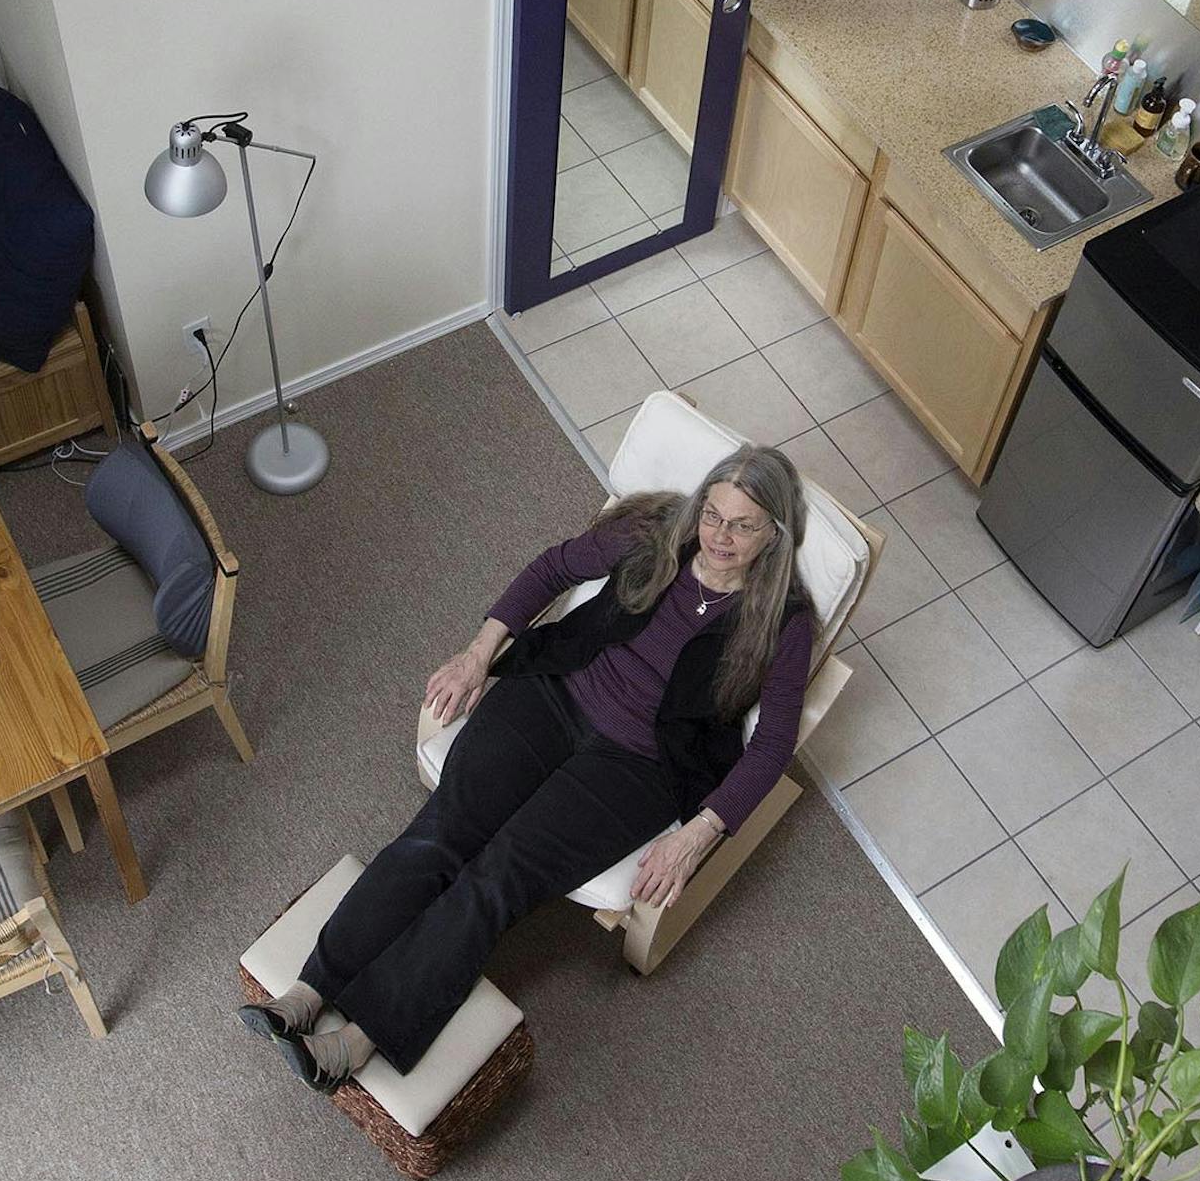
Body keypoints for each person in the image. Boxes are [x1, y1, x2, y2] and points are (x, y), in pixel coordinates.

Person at [241, 446, 815, 1089]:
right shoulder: (657, 536)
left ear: (776, 534)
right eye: (713, 513)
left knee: (499, 875)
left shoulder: (783, 622)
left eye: (742, 525)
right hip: (552, 694)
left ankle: (359, 1041)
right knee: (442, 829)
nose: (719, 536)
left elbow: (772, 744)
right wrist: (477, 655)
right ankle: (309, 992)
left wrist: (696, 835)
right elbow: (553, 568)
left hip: (641, 765)